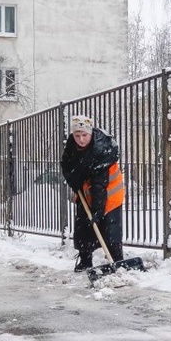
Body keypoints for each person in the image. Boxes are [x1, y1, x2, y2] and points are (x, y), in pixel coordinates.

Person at [60, 114, 126, 272]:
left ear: (91, 133)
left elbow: (99, 184)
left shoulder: (101, 149)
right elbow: (68, 169)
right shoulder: (71, 148)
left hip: (110, 191)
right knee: (83, 225)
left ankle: (117, 261)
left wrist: (98, 210)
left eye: (84, 135)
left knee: (110, 227)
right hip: (86, 193)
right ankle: (85, 261)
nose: (81, 139)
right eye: (77, 135)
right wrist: (74, 182)